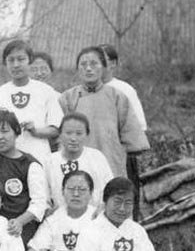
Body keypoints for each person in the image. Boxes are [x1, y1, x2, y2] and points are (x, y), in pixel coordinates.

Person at [58, 46, 148, 179]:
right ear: (77, 69)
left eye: (94, 63)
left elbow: (131, 135)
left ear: (103, 67)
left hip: (111, 160)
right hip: (77, 162)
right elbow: (58, 135)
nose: (88, 68)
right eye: (83, 64)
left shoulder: (117, 96)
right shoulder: (67, 98)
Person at [0, 39, 62, 165]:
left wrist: (36, 131)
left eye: (20, 59)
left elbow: (56, 128)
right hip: (6, 161)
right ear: (5, 63)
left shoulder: (46, 91)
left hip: (39, 157)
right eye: (11, 60)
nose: (16, 64)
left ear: (30, 60)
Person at [0, 109, 48, 248]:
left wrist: (19, 221)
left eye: (5, 131)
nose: (0, 137)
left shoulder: (30, 165)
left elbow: (39, 203)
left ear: (16, 132)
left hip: (20, 228)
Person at [99, 43, 147, 214]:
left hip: (120, 155)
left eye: (102, 60)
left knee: (122, 199)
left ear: (113, 64)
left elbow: (139, 127)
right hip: (96, 153)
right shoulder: (86, 91)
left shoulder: (125, 90)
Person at [44, 113, 113, 210]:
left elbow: (110, 190)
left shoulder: (97, 157)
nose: (73, 138)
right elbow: (44, 196)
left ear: (87, 135)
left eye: (79, 133)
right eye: (68, 133)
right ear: (60, 134)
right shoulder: (50, 161)